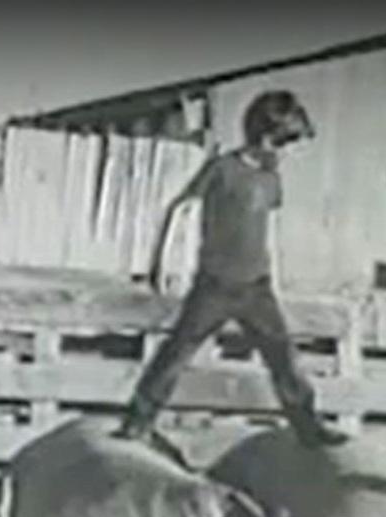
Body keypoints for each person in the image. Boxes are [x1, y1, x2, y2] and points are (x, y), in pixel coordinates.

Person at [115, 90, 347, 448]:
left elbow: (271, 229)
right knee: (177, 352)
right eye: (285, 145)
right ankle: (138, 420)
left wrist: (277, 277)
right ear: (267, 139)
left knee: (283, 357)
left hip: (256, 287)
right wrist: (163, 262)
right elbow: (182, 209)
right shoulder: (223, 169)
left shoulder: (272, 180)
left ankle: (307, 425)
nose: (287, 155)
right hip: (215, 286)